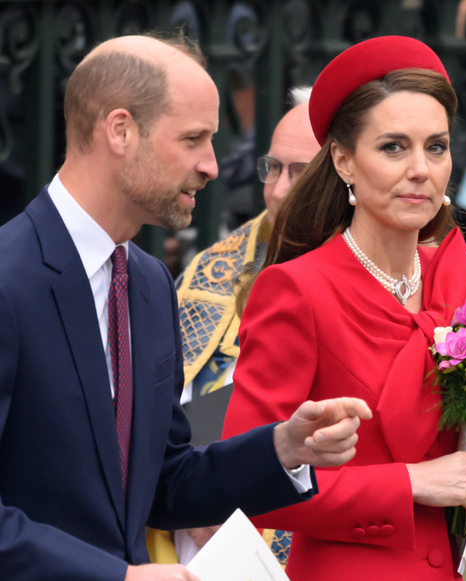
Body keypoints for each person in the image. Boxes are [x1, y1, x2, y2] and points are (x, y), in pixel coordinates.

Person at [0, 34, 371, 581]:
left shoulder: (150, 284)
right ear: (120, 130)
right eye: (194, 139)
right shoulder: (9, 278)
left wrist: (284, 447)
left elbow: (163, 481)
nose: (213, 166)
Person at [221, 36, 466, 581]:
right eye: (394, 147)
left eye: (435, 148)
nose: (421, 169)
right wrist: (411, 482)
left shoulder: (459, 272)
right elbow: (248, 481)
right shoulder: (296, 290)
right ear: (343, 160)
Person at [146, 87, 321, 566]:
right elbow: (153, 412)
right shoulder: (211, 271)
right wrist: (193, 496)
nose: (280, 190)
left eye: (301, 173)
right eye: (273, 169)